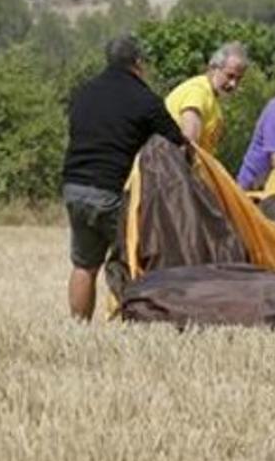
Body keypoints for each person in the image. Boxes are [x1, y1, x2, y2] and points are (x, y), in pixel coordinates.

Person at [62, 35, 187, 320]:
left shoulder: (84, 92)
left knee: (84, 264)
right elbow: (176, 142)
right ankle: (134, 322)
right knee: (133, 260)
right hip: (111, 191)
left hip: (74, 187)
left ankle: (78, 328)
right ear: (138, 63)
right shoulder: (144, 99)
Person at [164, 42, 249, 155]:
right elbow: (189, 143)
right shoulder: (198, 92)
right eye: (230, 76)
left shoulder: (211, 98)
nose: (233, 84)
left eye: (238, 79)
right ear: (213, 68)